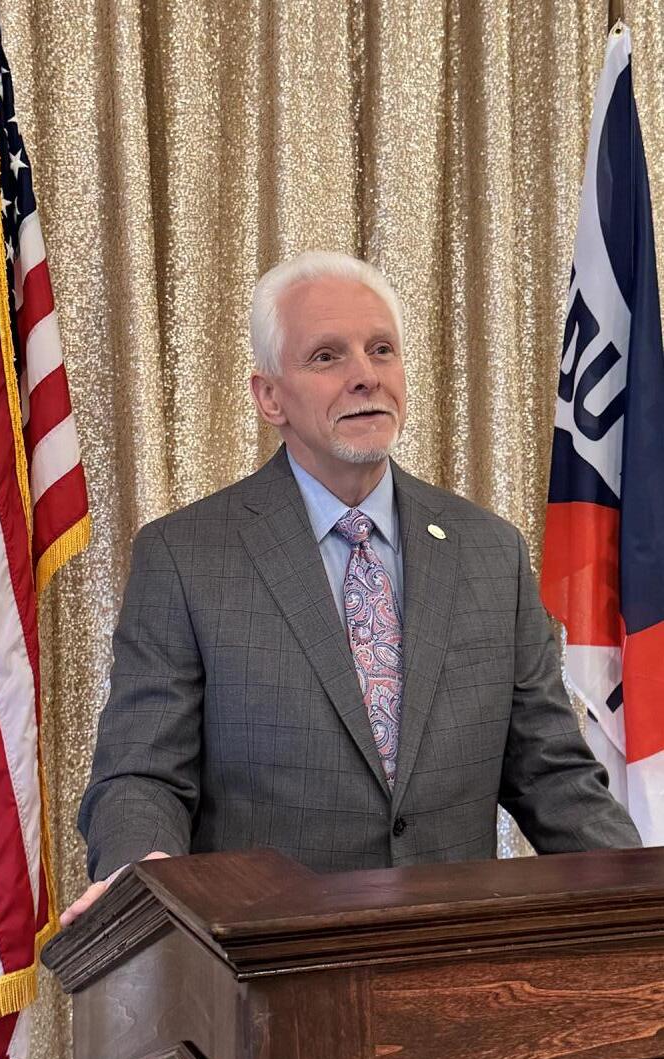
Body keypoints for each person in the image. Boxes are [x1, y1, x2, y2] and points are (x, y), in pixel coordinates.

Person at [61, 251, 640, 926]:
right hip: (270, 961)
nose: (366, 375)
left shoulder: (490, 552)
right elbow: (142, 774)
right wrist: (142, 871)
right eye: (327, 356)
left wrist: (643, 895)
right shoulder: (185, 557)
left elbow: (552, 774)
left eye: (381, 349)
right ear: (269, 397)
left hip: (452, 956)